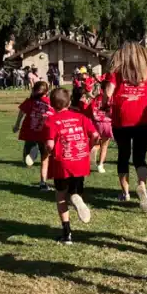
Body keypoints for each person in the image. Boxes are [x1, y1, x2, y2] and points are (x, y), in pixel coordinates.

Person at [102, 42, 147, 211]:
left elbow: (108, 92)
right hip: (144, 119)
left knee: (123, 155)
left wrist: (105, 104)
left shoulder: (117, 73)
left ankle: (125, 192)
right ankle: (142, 184)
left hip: (122, 119)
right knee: (140, 156)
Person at [45, 88, 99, 244]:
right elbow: (95, 135)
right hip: (81, 161)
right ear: (69, 102)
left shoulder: (52, 120)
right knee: (75, 191)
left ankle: (67, 233)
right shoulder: (81, 117)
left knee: (60, 197)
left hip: (63, 162)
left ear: (52, 104)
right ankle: (76, 198)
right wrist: (89, 147)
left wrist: (49, 151)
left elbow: (49, 144)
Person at [13, 81, 55, 191]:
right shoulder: (50, 103)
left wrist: (17, 125)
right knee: (45, 159)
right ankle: (43, 183)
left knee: (28, 151)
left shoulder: (30, 101)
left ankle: (31, 152)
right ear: (47, 92)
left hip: (30, 132)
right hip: (45, 133)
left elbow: (21, 112)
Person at [90, 81, 113, 174]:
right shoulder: (111, 98)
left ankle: (91, 159)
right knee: (104, 145)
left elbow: (92, 110)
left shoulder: (96, 98)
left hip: (97, 123)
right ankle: (100, 165)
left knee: (95, 144)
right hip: (107, 123)